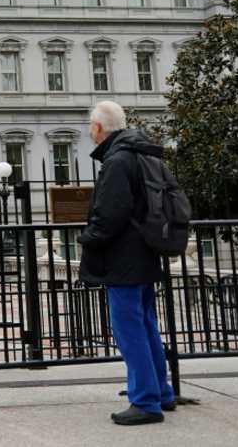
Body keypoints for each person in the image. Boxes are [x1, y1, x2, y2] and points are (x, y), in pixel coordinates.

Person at [78, 100, 175, 425]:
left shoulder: (118, 160)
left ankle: (146, 401)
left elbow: (110, 213)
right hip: (145, 251)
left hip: (124, 257)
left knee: (129, 328)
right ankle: (159, 391)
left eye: (91, 125)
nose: (91, 131)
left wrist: (88, 237)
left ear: (99, 127)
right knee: (146, 324)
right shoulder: (141, 153)